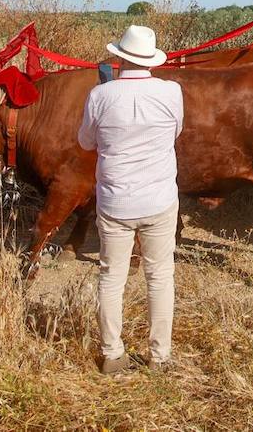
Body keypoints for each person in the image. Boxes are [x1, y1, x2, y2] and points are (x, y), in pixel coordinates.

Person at [78, 24, 183, 375]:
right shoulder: (171, 92)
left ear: (119, 58)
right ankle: (160, 356)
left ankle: (112, 353)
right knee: (160, 277)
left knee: (111, 277)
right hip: (159, 198)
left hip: (115, 201)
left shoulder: (100, 95)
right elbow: (176, 131)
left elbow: (85, 142)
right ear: (151, 60)